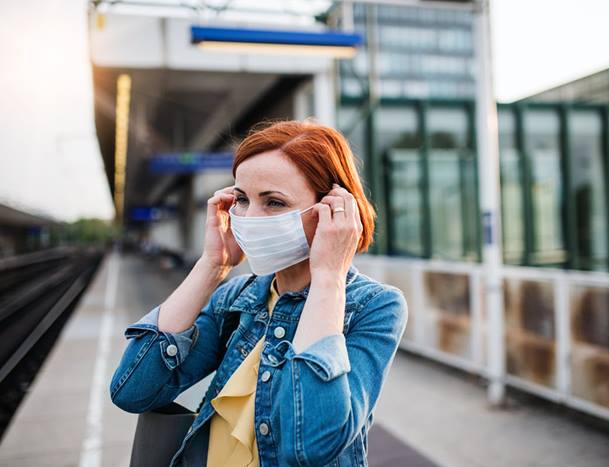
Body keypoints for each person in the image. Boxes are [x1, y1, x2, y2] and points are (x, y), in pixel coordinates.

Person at [110, 120, 409, 466]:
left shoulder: (376, 307)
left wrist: (328, 276)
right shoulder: (237, 298)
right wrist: (212, 265)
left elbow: (310, 444)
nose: (249, 218)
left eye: (274, 203)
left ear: (333, 210)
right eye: (241, 199)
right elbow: (131, 390)